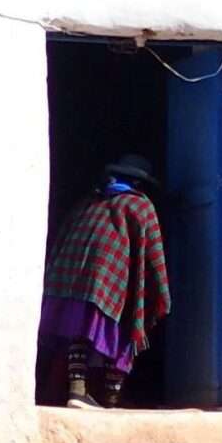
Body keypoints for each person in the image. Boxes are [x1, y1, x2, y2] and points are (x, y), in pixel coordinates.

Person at [38, 154, 170, 408]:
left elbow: (62, 237)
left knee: (77, 330)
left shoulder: (89, 203)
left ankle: (77, 390)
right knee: (126, 326)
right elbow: (154, 254)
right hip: (107, 278)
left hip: (67, 278)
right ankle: (109, 400)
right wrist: (161, 293)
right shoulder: (140, 205)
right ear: (139, 184)